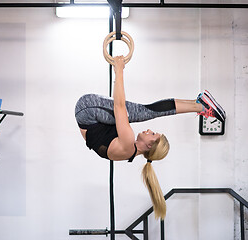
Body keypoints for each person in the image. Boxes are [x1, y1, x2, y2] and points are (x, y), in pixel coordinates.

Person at [74, 56, 226, 220]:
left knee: (141, 112)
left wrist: (118, 70)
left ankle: (202, 106)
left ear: (148, 146)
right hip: (91, 118)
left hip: (87, 111)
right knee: (145, 112)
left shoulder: (126, 145)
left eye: (152, 134)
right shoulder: (128, 150)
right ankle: (200, 104)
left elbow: (119, 105)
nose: (149, 131)